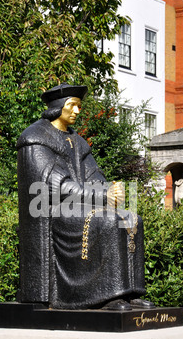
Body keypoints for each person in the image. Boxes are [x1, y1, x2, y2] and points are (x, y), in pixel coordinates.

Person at [16, 83, 150, 310]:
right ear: (58, 107)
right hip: (49, 213)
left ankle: (130, 292)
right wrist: (101, 195)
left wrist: (111, 190)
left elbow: (94, 175)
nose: (77, 111)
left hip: (79, 206)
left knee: (130, 219)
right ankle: (108, 296)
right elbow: (55, 186)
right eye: (73, 106)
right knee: (107, 221)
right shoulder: (34, 139)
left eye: (79, 106)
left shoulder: (78, 141)